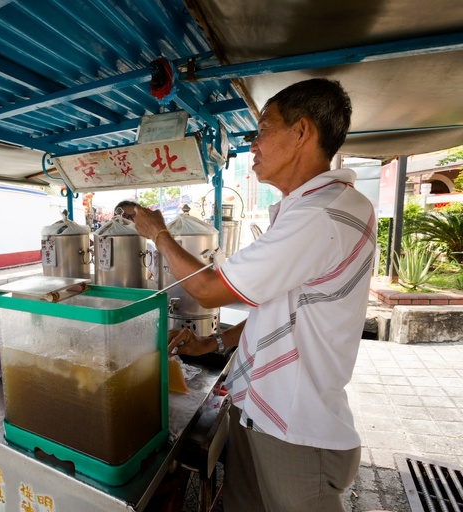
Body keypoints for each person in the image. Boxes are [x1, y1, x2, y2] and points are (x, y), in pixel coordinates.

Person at [133, 79, 376, 512]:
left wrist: (160, 235)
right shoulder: (311, 210)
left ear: (302, 132)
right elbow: (284, 310)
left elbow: (208, 291)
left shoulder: (321, 216)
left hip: (295, 431)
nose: (253, 143)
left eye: (263, 129)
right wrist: (214, 343)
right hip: (259, 414)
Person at [114, 200, 159, 283]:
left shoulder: (148, 247)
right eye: (125, 216)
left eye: (134, 216)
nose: (130, 220)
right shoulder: (106, 244)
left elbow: (155, 276)